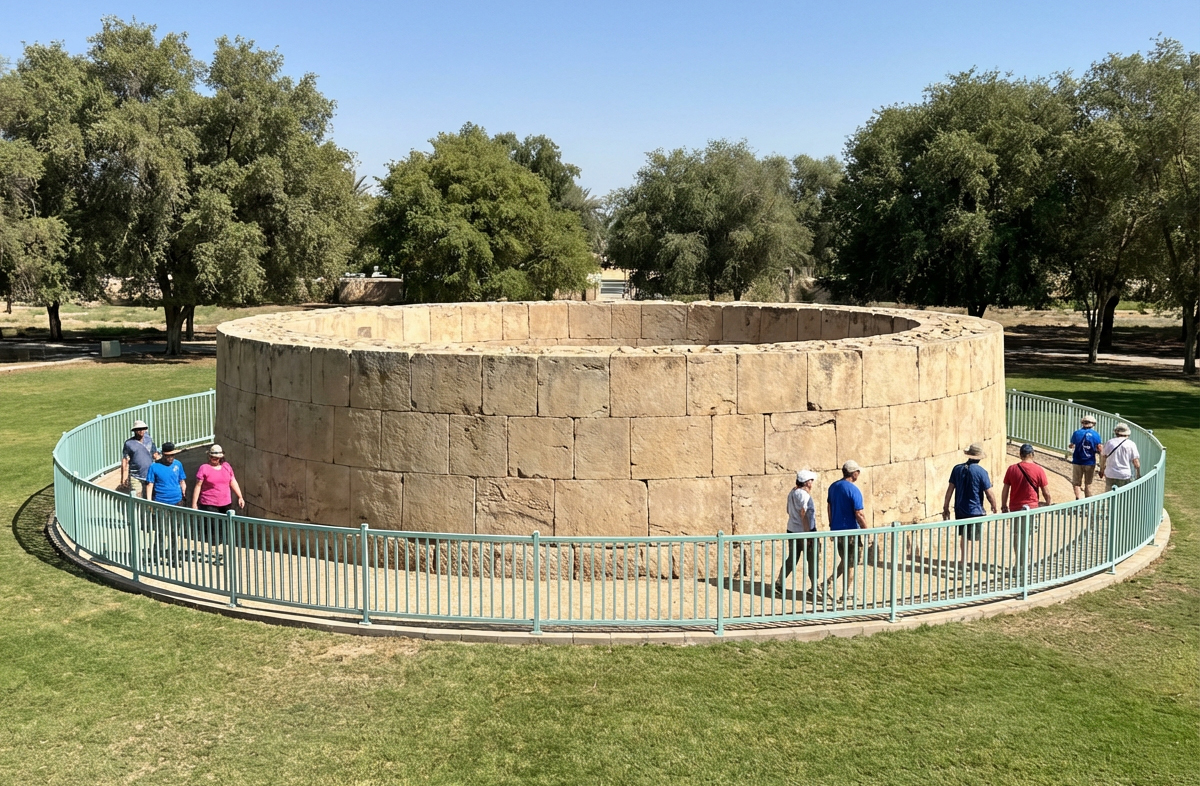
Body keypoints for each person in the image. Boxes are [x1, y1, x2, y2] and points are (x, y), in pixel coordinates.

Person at [942, 443, 998, 570]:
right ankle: (969, 563)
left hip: (960, 509)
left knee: (964, 537)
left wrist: (946, 507)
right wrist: (994, 506)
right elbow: (989, 493)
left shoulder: (957, 469)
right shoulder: (981, 472)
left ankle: (963, 561)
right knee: (972, 538)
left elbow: (950, 490)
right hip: (975, 510)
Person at [825, 460, 868, 596]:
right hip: (851, 532)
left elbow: (829, 508)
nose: (859, 474)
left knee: (845, 560)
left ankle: (827, 583)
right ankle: (846, 593)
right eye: (858, 472)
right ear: (854, 473)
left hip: (837, 531)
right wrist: (867, 530)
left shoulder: (833, 487)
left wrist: (832, 526)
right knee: (851, 564)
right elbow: (859, 513)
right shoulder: (853, 490)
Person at [774, 470, 819, 599]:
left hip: (792, 529)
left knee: (792, 558)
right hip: (804, 532)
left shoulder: (792, 493)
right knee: (812, 559)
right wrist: (808, 534)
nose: (812, 483)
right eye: (811, 481)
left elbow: (788, 510)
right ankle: (814, 587)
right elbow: (804, 513)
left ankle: (779, 582)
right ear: (807, 482)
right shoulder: (804, 495)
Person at [190, 444, 246, 513]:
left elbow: (233, 481)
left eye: (216, 458)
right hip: (209, 504)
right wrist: (194, 504)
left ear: (220, 458)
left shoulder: (226, 466)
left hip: (226, 504)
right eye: (212, 457)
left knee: (226, 523)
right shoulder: (204, 468)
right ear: (209, 456)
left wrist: (240, 497)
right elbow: (198, 486)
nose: (214, 459)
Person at [1002, 444, 1052, 513]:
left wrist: (1004, 506)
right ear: (1032, 455)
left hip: (1015, 508)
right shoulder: (1039, 469)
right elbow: (1046, 492)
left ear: (1020, 455)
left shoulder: (1011, 469)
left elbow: (1005, 490)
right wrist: (1048, 503)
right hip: (1032, 507)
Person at [119, 420, 159, 498]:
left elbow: (155, 454)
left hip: (150, 474)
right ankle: (139, 510)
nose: (141, 431)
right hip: (135, 476)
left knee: (152, 496)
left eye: (143, 428)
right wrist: (123, 478)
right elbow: (125, 460)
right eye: (139, 429)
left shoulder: (149, 440)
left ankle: (150, 510)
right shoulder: (129, 443)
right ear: (134, 431)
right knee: (137, 497)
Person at [1068, 414, 1103, 499]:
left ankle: (1078, 499)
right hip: (1090, 462)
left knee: (1076, 483)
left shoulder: (1076, 433)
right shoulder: (1096, 435)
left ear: (1082, 423)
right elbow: (1099, 448)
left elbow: (1072, 445)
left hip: (1077, 461)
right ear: (1093, 424)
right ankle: (1087, 501)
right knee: (1088, 483)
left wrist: (1071, 446)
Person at [1099, 423, 1141, 491]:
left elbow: (1103, 457)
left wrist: (1102, 470)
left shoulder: (1110, 442)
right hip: (1124, 474)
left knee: (1110, 494)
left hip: (1111, 473)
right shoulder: (1131, 444)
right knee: (1123, 496)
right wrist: (1138, 474)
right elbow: (1136, 462)